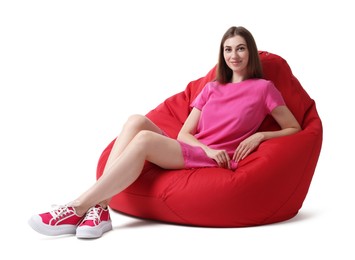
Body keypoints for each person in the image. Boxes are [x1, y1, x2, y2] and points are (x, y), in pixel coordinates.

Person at [28, 26, 302, 239]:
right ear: (222, 54)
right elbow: (185, 133)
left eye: (240, 49)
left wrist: (260, 136)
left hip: (218, 159)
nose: (234, 55)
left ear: (249, 52)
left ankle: (76, 207)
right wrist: (204, 147)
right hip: (199, 149)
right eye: (228, 49)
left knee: (145, 139)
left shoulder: (263, 89)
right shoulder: (212, 88)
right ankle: (99, 209)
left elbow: (295, 128)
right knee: (136, 120)